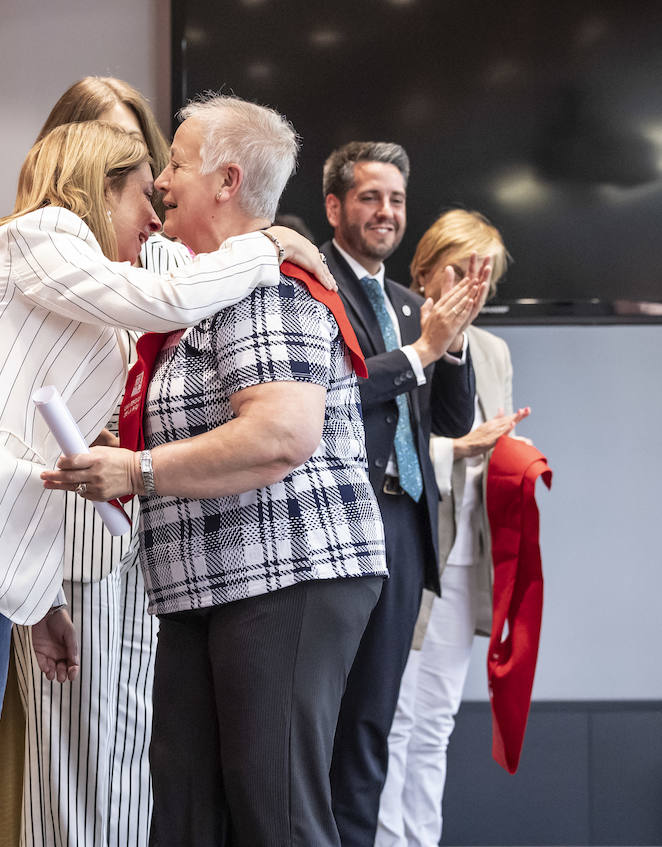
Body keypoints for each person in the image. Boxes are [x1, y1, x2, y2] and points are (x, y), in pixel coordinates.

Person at [0, 118, 337, 846]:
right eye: (145, 191)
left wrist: (43, 597)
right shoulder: (41, 234)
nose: (154, 213)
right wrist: (266, 245)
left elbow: (34, 431)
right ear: (98, 186)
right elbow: (170, 300)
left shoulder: (91, 296)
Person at [43, 94, 387, 847]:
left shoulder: (267, 284)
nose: (160, 179)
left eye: (173, 163)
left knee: (277, 816)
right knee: (189, 818)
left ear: (227, 181)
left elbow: (279, 435)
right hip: (212, 586)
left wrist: (136, 468)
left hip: (286, 575)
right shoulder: (212, 287)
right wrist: (123, 448)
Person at [9, 75, 188, 847]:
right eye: (116, 166)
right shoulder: (34, 252)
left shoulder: (147, 262)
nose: (142, 195)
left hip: (144, 552)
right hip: (68, 557)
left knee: (126, 780)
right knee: (81, 789)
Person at [318, 142, 483, 847]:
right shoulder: (312, 287)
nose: (386, 212)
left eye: (396, 200)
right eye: (369, 197)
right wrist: (421, 349)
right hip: (336, 527)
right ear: (335, 207)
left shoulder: (414, 305)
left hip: (405, 533)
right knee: (321, 721)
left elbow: (450, 420)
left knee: (371, 724)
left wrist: (453, 343)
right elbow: (333, 396)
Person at [377, 210, 528, 847]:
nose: (475, 286)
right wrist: (456, 449)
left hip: (470, 557)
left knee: (436, 724)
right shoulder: (396, 331)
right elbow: (385, 449)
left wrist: (514, 457)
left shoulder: (492, 350)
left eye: (484, 276)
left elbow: (491, 443)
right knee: (395, 724)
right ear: (427, 270)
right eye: (463, 270)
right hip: (415, 551)